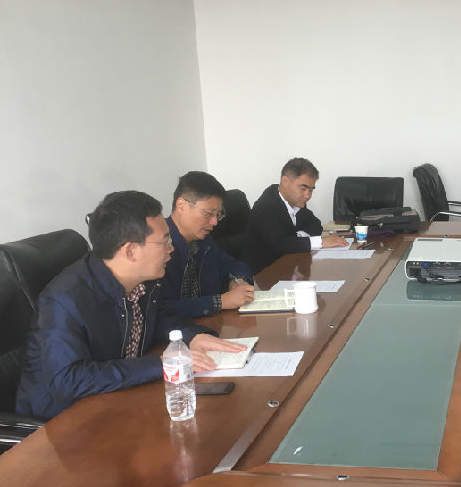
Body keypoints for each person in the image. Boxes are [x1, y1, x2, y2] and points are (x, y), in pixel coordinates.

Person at [17, 191, 246, 420]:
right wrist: (159, 364)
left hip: (120, 397)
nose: (172, 248)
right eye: (165, 241)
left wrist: (192, 336)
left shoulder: (143, 280)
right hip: (64, 421)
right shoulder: (63, 300)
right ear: (130, 251)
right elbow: (67, 380)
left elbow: (160, 316)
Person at [161, 171, 255, 317]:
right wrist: (219, 302)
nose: (215, 222)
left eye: (218, 215)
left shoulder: (204, 241)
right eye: (208, 213)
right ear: (181, 205)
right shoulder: (158, 247)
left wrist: (237, 281)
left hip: (210, 324)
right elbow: (162, 310)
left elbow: (235, 265)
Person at [241, 157, 346, 273]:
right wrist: (320, 242)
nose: (307, 196)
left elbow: (315, 224)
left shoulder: (294, 200)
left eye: (311, 190)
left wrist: (297, 237)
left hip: (290, 267)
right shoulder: (266, 207)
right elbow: (281, 245)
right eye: (303, 189)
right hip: (264, 276)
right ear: (285, 181)